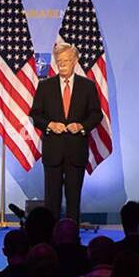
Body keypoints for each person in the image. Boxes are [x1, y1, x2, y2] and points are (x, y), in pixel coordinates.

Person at [28, 42, 103, 223]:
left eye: (66, 61)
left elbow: (96, 115)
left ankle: (71, 237)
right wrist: (50, 125)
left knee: (73, 200)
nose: (62, 64)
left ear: (75, 61)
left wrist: (82, 126)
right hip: (53, 152)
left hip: (76, 152)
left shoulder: (87, 86)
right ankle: (50, 237)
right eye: (59, 61)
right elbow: (35, 114)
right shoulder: (45, 86)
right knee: (51, 200)